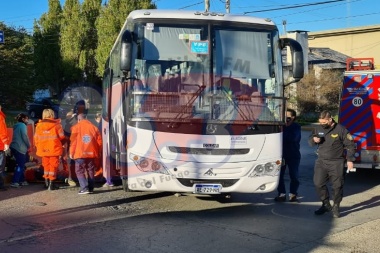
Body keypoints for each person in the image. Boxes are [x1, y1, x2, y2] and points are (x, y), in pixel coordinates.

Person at [309, 110, 355, 218]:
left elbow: (351, 145)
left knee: (337, 186)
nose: (322, 124)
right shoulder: (318, 128)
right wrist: (314, 140)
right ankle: (326, 204)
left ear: (330, 119)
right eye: (320, 122)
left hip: (336, 162)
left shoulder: (341, 129)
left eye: (324, 122)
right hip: (321, 161)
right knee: (318, 183)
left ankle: (336, 206)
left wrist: (349, 160)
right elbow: (311, 138)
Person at [69, 113, 102, 194]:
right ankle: (91, 187)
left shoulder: (75, 127)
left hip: (80, 153)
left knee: (79, 170)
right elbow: (99, 142)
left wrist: (71, 152)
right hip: (91, 153)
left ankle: (84, 188)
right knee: (90, 169)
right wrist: (98, 152)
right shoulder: (94, 127)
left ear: (78, 119)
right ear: (86, 118)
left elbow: (73, 142)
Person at [34, 109, 66, 190]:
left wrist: (39, 146)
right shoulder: (57, 125)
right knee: (53, 166)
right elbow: (62, 137)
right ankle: (51, 184)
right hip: (54, 149)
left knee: (46, 166)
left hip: (43, 150)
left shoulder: (38, 126)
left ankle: (46, 182)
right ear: (52, 115)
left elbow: (36, 139)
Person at [274, 108, 301, 202]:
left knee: (294, 175)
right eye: (284, 116)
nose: (285, 118)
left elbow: (293, 138)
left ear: (293, 117)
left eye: (288, 117)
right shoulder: (280, 126)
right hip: (280, 156)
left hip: (293, 155)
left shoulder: (296, 127)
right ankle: (281, 194)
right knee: (279, 175)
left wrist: (282, 135)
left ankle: (293, 194)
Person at [10, 113, 31, 188]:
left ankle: (21, 180)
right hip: (20, 148)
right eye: (26, 119)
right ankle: (15, 181)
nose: (27, 120)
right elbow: (24, 136)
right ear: (23, 119)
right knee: (21, 165)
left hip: (14, 146)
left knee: (20, 165)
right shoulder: (22, 126)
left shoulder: (16, 126)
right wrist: (29, 145)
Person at [0, 105, 10, 191]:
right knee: (0, 167)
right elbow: (2, 132)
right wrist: (6, 144)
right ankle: (1, 185)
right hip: (0, 146)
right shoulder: (0, 117)